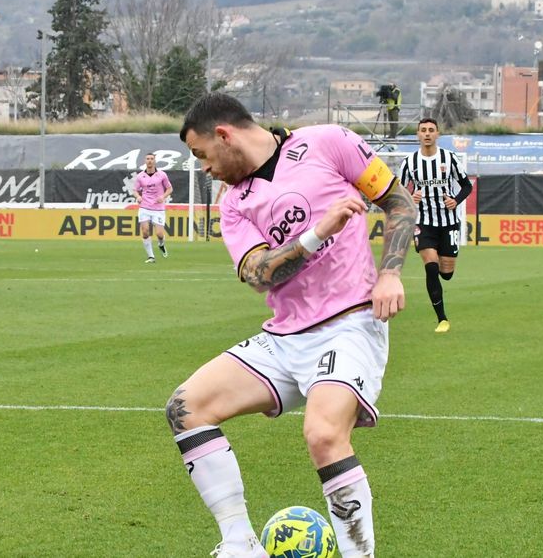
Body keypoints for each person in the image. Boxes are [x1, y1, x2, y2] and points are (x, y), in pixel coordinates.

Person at [171, 93, 417, 558]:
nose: (204, 168)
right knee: (186, 408)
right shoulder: (234, 204)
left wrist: (390, 273)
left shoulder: (328, 142)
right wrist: (316, 233)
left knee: (324, 434)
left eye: (202, 154)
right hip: (285, 337)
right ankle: (240, 543)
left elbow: (400, 203)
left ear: (224, 135)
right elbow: (259, 274)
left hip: (350, 324)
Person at [398, 117, 473, 334]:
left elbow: (466, 186)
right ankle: (442, 319)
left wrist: (455, 200)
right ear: (418, 135)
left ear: (438, 134)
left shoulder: (449, 159)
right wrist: (411, 197)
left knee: (446, 273)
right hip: (423, 222)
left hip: (448, 223)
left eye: (431, 130)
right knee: (431, 265)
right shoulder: (409, 163)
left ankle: (444, 262)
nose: (427, 133)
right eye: (423, 130)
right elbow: (399, 192)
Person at [133, 152, 173, 263]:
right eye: (147, 159)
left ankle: (161, 244)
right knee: (145, 232)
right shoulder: (140, 176)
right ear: (145, 161)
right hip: (144, 207)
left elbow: (170, 189)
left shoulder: (162, 175)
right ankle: (151, 256)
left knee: (159, 234)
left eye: (151, 158)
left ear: (155, 161)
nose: (150, 160)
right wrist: (138, 197)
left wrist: (163, 196)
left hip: (158, 208)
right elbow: (135, 190)